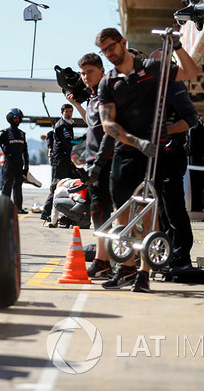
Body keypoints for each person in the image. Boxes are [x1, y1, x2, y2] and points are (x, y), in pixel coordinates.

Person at [89, 27, 199, 293]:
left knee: (149, 210)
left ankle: (143, 273)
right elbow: (108, 124)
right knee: (122, 212)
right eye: (104, 51)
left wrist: (177, 46)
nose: (109, 54)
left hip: (155, 154)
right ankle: (125, 268)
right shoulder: (108, 82)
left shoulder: (153, 68)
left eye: (111, 47)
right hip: (127, 152)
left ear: (123, 43)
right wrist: (138, 142)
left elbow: (191, 73)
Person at [150, 49, 201, 268]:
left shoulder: (174, 85)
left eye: (157, 64)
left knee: (173, 206)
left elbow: (192, 119)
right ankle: (167, 250)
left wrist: (165, 130)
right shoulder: (150, 87)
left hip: (172, 155)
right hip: (155, 156)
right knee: (159, 207)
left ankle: (182, 254)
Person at [66, 52, 114, 277]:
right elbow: (92, 123)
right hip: (94, 162)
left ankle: (120, 262)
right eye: (83, 73)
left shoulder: (107, 94)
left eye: (90, 72)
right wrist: (76, 103)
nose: (85, 77)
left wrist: (100, 163)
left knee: (110, 213)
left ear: (102, 71)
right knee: (99, 212)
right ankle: (104, 261)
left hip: (106, 163)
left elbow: (109, 130)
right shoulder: (94, 97)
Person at [0, 108, 30, 213]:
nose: (17, 120)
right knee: (7, 186)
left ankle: (18, 208)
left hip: (19, 163)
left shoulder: (22, 134)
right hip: (9, 162)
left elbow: (25, 151)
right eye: (15, 118)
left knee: (18, 186)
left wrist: (26, 166)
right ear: (10, 119)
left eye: (19, 118)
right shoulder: (5, 133)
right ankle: (4, 208)